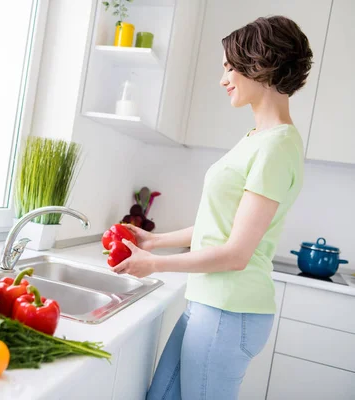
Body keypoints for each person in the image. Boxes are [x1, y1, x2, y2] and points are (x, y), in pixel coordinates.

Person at [112, 16, 313, 400]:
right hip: (209, 303)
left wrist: (153, 264)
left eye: (230, 67)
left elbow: (236, 254)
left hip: (230, 310)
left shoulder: (276, 147)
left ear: (262, 64)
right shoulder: (259, 137)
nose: (223, 79)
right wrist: (155, 242)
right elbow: (218, 225)